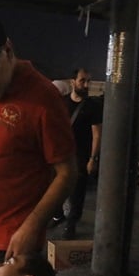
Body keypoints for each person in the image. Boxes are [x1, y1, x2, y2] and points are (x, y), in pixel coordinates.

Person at [0, 15, 77, 273]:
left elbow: (67, 173)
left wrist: (32, 226)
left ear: (7, 50)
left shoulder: (43, 98)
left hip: (13, 238)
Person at [49, 68, 103, 239]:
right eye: (82, 81)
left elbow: (97, 134)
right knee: (54, 185)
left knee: (77, 191)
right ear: (73, 82)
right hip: (61, 154)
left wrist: (93, 158)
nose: (86, 84)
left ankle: (71, 223)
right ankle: (58, 215)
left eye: (88, 81)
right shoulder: (62, 103)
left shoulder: (92, 106)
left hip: (81, 155)